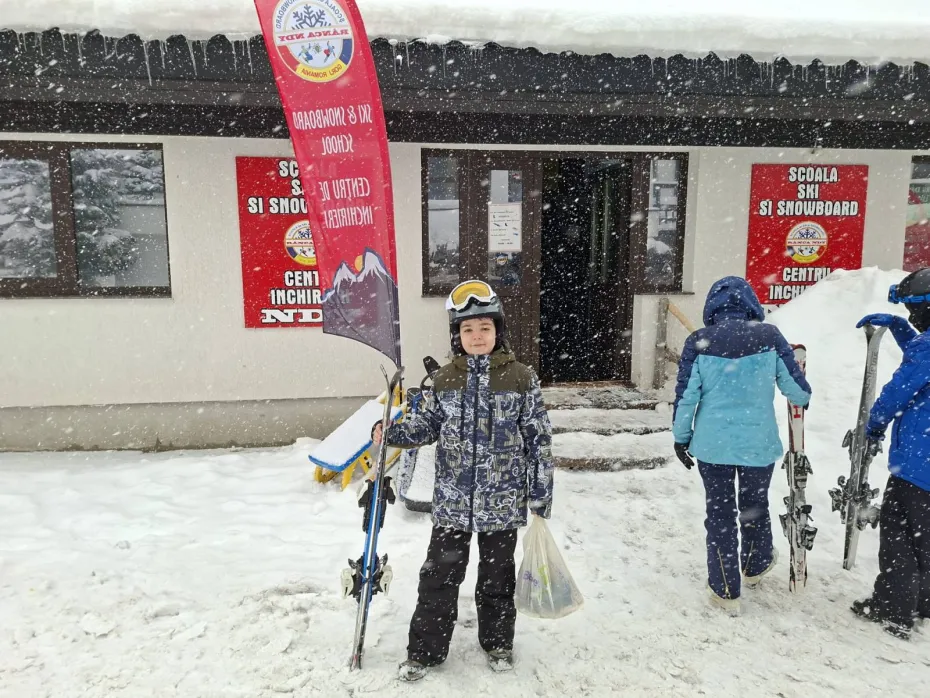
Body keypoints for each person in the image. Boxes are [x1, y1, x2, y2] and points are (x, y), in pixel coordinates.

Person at [372, 279, 554, 680]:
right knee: (438, 578)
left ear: (498, 332)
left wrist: (541, 493)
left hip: (503, 504)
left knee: (497, 579)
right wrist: (392, 432)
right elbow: (425, 426)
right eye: (468, 329)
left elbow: (538, 438)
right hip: (453, 503)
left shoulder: (521, 378)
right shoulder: (445, 380)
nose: (476, 336)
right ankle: (425, 651)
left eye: (485, 328)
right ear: (457, 335)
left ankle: (498, 643)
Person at [672, 276, 812, 614]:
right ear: (750, 303)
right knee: (754, 505)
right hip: (757, 444)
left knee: (719, 515)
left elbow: (686, 396)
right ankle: (755, 564)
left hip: (713, 445)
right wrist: (801, 393)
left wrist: (681, 437)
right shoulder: (770, 337)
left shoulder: (699, 341)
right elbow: (798, 392)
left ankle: (724, 590)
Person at [850, 267, 930, 640]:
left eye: (916, 311)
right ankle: (923, 604)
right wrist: (901, 330)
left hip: (920, 464)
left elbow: (900, 390)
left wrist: (874, 424)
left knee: (899, 535)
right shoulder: (925, 344)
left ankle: (894, 608)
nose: (913, 318)